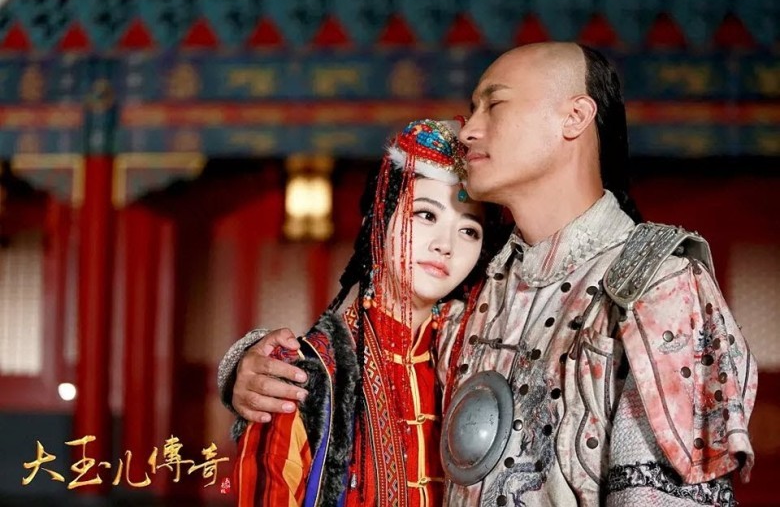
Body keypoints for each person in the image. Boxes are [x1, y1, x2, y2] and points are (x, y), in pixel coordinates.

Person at [220, 43, 757, 506]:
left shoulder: (656, 286)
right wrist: (252, 365)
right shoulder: (482, 289)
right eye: (472, 108)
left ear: (574, 117)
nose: (470, 129)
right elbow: (378, 333)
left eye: (493, 105)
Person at [227, 118, 508, 506]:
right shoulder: (305, 375)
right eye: (426, 215)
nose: (446, 244)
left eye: (469, 230)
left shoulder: (482, 358)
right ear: (378, 220)